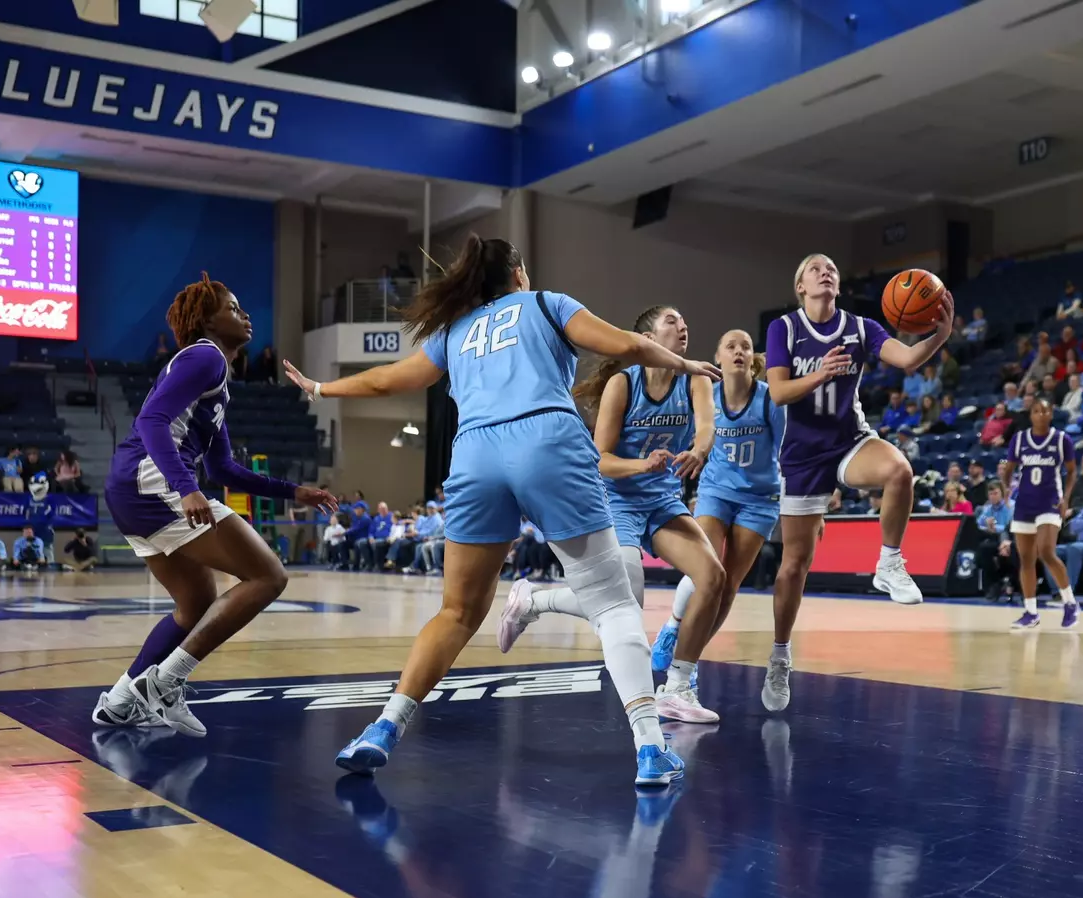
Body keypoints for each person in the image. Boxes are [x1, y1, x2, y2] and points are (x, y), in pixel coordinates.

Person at [284, 236, 718, 784]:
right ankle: (651, 747)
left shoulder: (455, 332)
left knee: (458, 612)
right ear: (518, 274)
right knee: (615, 603)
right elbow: (627, 346)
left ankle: (383, 727)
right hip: (546, 440)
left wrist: (320, 387)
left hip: (474, 454)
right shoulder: (545, 303)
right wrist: (682, 361)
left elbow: (384, 378)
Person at [93, 274, 336, 737]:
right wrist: (186, 487)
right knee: (269, 576)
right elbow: (151, 420)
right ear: (206, 320)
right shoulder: (205, 355)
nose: (244, 315)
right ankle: (167, 682)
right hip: (153, 483)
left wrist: (293, 491)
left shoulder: (215, 375)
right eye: (233, 307)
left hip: (130, 488)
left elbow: (223, 468)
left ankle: (122, 700)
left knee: (196, 602)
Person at [492, 302, 726, 723]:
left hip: (663, 502)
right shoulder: (623, 384)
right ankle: (534, 602)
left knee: (713, 577)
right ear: (650, 340)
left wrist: (699, 450)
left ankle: (676, 687)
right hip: (616, 500)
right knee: (626, 606)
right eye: (672, 321)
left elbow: (707, 426)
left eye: (685, 320)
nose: (683, 326)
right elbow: (599, 460)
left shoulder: (693, 381)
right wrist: (642, 464)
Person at [760, 253, 953, 711]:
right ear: (800, 287)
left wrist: (939, 335)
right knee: (793, 567)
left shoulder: (861, 327)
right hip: (802, 456)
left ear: (838, 285)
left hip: (848, 440)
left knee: (899, 469)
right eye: (814, 269)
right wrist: (819, 373)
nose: (825, 272)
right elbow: (779, 391)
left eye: (831, 268)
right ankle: (780, 655)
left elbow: (906, 359)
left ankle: (888, 563)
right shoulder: (783, 329)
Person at [651, 328, 784, 679]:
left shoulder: (770, 400)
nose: (739, 350)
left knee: (728, 588)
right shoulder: (706, 397)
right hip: (716, 492)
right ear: (719, 358)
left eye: (746, 346)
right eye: (731, 346)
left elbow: (789, 452)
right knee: (705, 570)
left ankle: (689, 658)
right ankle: (672, 626)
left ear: (752, 360)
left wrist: (807, 504)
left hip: (759, 499)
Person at [1007, 397, 1078, 629]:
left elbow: (1071, 471)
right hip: (1024, 503)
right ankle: (1031, 612)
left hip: (1050, 502)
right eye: (1036, 411)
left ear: (1051, 414)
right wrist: (1008, 490)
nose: (1040, 414)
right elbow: (1008, 469)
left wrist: (1066, 498)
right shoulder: (1019, 440)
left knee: (1046, 552)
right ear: (1031, 415)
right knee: (1026, 559)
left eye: (1045, 411)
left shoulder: (1061, 439)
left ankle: (1069, 603)